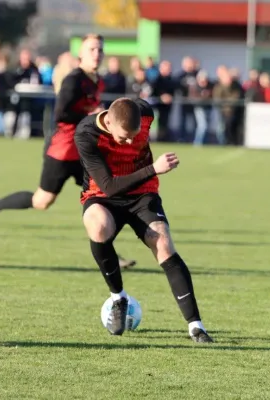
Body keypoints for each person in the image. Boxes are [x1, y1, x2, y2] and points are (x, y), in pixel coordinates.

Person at [0, 34, 136, 269]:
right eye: (92, 49)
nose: (97, 53)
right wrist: (92, 115)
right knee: (42, 201)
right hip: (62, 151)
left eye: (100, 50)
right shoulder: (74, 80)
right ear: (81, 54)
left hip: (83, 151)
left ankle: (110, 253)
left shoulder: (96, 81)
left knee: (104, 195)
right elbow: (61, 113)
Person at [74, 97, 213, 343]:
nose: (130, 142)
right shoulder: (86, 134)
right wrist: (154, 168)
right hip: (103, 194)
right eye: (123, 137)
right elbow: (109, 186)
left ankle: (196, 326)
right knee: (98, 225)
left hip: (142, 193)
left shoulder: (145, 112)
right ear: (108, 121)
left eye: (134, 136)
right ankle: (118, 298)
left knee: (163, 243)